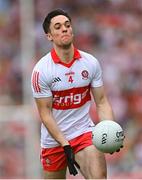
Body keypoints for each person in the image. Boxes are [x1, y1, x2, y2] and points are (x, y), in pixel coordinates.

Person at [31, 9, 122, 179]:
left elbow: (101, 101)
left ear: (72, 30)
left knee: (99, 178)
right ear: (49, 36)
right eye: (57, 27)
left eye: (67, 25)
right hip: (54, 141)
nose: (64, 29)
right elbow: (45, 114)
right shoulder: (41, 70)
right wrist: (65, 145)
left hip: (84, 133)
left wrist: (110, 129)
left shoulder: (90, 63)